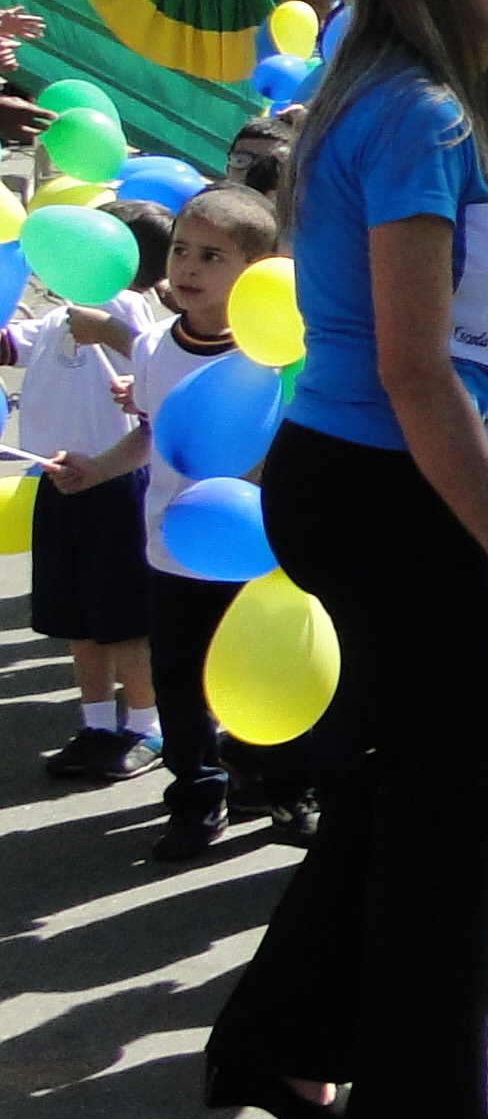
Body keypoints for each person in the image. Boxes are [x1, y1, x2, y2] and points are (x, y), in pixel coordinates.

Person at [206, 0, 488, 1119]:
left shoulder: (423, 107)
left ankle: (275, 1036)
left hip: (367, 473)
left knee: (399, 785)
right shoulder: (416, 117)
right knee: (447, 816)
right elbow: (418, 366)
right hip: (385, 482)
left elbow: (458, 349)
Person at [45, 192, 262, 858]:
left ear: (253, 271)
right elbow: (148, 435)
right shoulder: (152, 346)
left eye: (212, 256)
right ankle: (195, 797)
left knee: (252, 677)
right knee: (177, 678)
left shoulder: (269, 354)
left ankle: (270, 779)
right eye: (180, 251)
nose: (188, 267)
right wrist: (96, 469)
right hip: (170, 550)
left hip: (248, 552)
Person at [21, 203, 170, 784]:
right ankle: (96, 723)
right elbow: (17, 343)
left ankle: (145, 725)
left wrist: (110, 331)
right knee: (78, 619)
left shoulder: (126, 306)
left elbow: (156, 359)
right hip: (63, 480)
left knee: (123, 620)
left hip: (114, 482)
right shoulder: (62, 314)